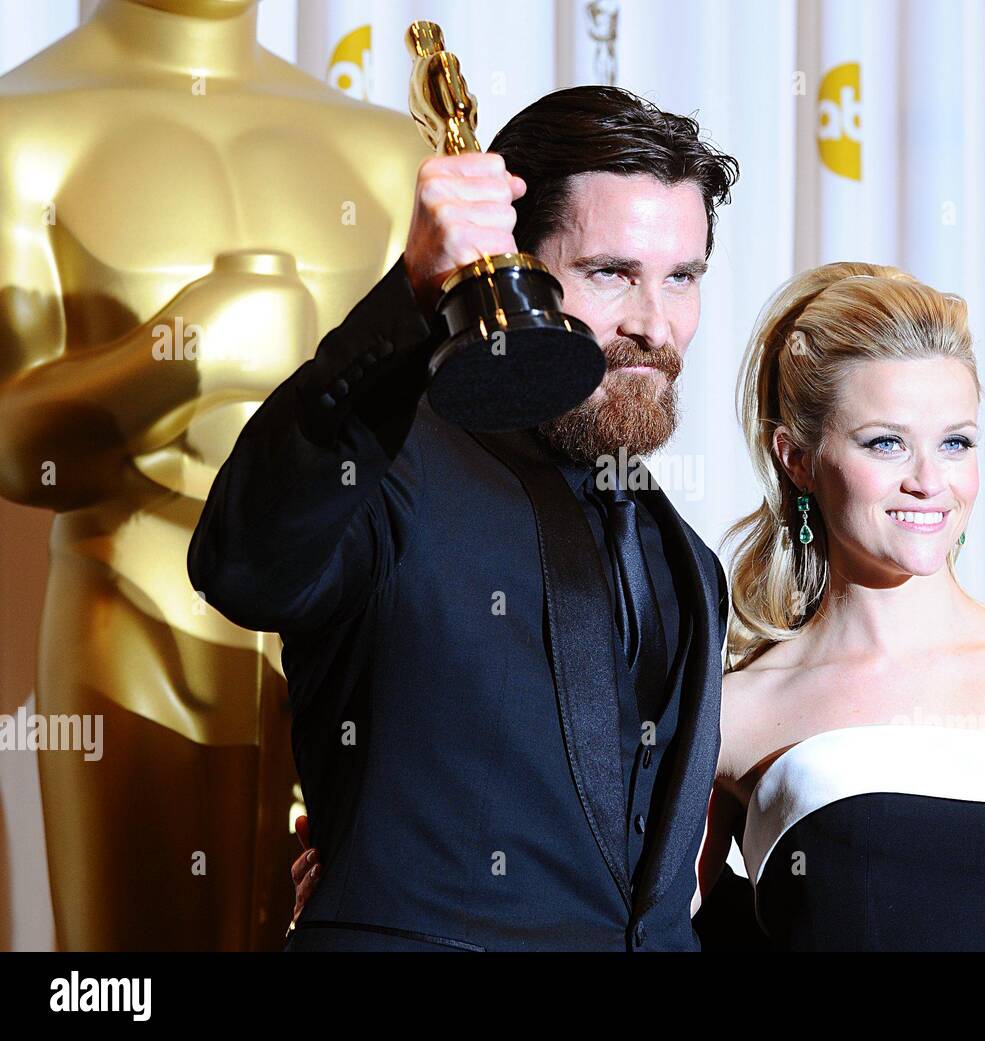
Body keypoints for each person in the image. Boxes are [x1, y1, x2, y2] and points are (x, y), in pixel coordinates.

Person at [188, 85, 739, 951]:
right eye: (611, 274)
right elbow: (244, 563)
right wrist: (411, 296)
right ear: (511, 264)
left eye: (683, 278)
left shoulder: (688, 560)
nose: (654, 325)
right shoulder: (391, 463)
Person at [694, 263, 985, 951]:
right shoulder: (733, 711)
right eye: (885, 442)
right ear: (796, 457)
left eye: (956, 442)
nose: (928, 481)